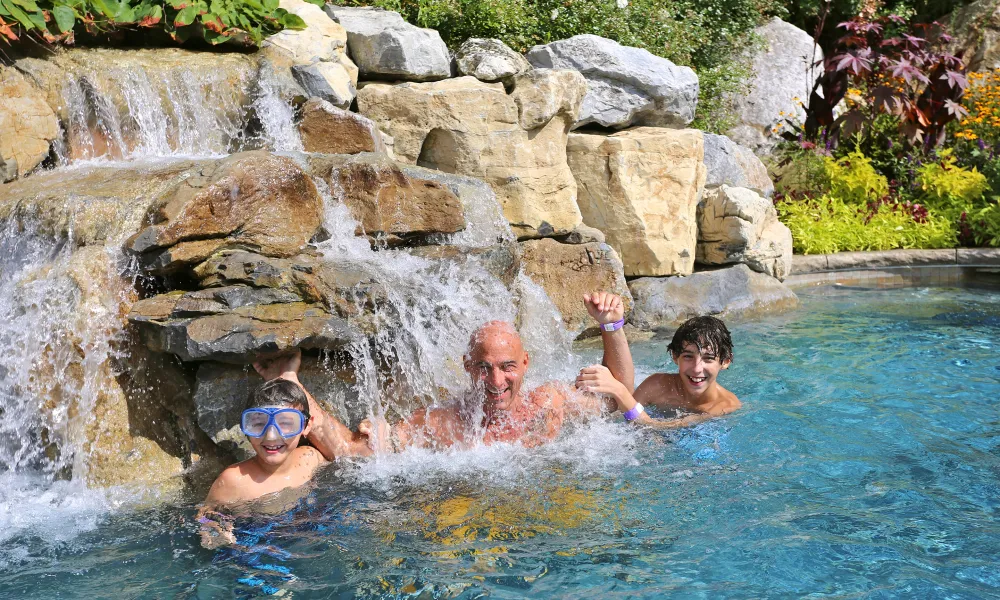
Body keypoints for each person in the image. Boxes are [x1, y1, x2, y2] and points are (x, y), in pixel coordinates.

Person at [341, 291, 634, 454]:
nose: (496, 382)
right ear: (467, 365)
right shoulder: (442, 422)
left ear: (525, 364)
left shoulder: (549, 403)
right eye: (483, 368)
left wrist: (611, 325)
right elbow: (366, 451)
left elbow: (617, 398)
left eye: (508, 367)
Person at [198, 349, 363, 547]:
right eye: (258, 423)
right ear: (245, 428)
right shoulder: (234, 480)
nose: (271, 435)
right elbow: (207, 517)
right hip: (257, 544)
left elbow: (349, 456)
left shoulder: (310, 458)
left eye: (286, 423)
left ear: (306, 426)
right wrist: (224, 540)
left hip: (308, 533)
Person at [575, 315, 741, 429]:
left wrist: (618, 390)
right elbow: (619, 415)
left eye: (708, 359)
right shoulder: (658, 385)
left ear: (725, 361)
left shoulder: (725, 406)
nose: (697, 368)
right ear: (675, 357)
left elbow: (656, 427)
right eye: (688, 356)